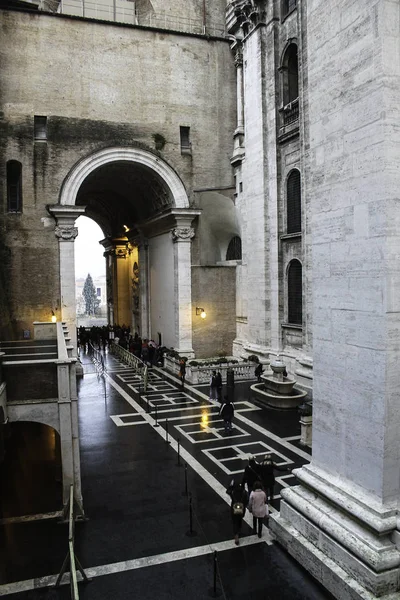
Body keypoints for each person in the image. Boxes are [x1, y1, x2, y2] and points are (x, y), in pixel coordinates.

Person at [226, 479, 248, 546]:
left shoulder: (233, 492)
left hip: (234, 509)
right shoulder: (244, 492)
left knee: (234, 522)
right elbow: (246, 500)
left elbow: (227, 491)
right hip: (241, 509)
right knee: (239, 520)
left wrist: (230, 486)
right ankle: (239, 530)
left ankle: (236, 536)